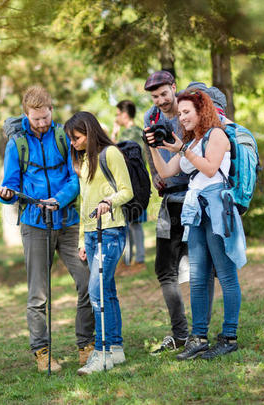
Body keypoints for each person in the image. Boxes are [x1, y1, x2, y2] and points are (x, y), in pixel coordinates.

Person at [0, 86, 95, 372]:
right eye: (35, 119)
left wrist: (59, 200)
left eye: (45, 117)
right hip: (34, 225)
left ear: (51, 109)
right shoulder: (16, 144)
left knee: (87, 282)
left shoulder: (64, 136)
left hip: (68, 222)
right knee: (38, 295)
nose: (41, 123)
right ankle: (42, 352)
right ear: (26, 114)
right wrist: (6, 195)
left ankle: (86, 345)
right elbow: (11, 184)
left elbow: (75, 179)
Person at [145, 88, 246, 360]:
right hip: (197, 210)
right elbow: (166, 173)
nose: (182, 117)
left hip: (216, 206)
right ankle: (198, 337)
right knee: (198, 276)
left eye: (186, 112)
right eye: (180, 114)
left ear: (202, 111)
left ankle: (229, 336)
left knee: (225, 274)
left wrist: (182, 150)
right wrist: (154, 147)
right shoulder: (192, 141)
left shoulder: (216, 135)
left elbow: (211, 168)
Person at [64, 111, 133, 375]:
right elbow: (84, 204)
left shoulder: (110, 154)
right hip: (92, 235)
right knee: (107, 291)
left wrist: (109, 202)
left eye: (77, 137)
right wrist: (82, 238)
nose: (74, 143)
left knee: (97, 292)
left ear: (89, 133)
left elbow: (127, 191)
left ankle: (101, 352)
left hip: (112, 231)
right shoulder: (84, 160)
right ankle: (116, 349)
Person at [142, 71, 193, 354]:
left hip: (194, 198)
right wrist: (155, 177)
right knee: (165, 270)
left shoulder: (188, 110)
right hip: (169, 201)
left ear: (173, 88)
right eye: (155, 96)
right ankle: (181, 334)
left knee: (199, 268)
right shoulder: (151, 117)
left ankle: (197, 334)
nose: (160, 100)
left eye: (164, 94)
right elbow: (152, 153)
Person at [112, 100, 146, 267]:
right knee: (134, 222)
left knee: (131, 222)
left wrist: (114, 134)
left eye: (118, 114)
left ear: (125, 115)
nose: (116, 117)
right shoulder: (140, 132)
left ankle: (134, 259)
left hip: (131, 184)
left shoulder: (127, 135)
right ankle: (134, 258)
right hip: (141, 183)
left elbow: (112, 157)